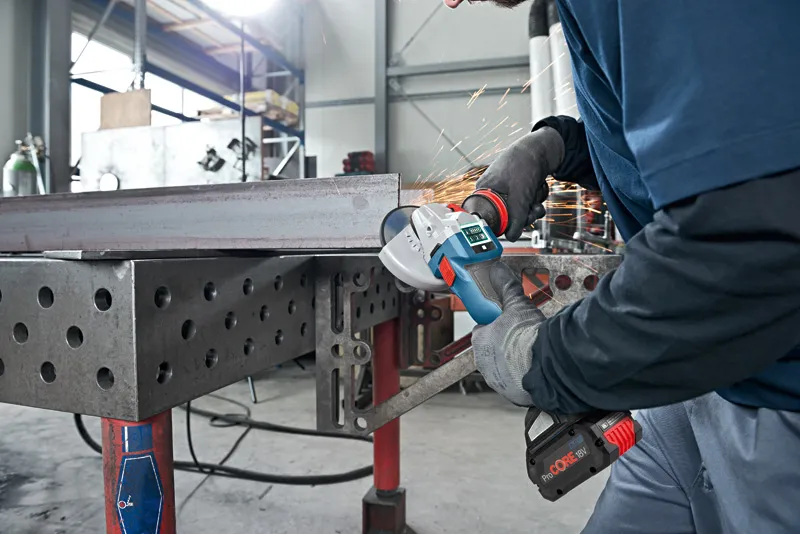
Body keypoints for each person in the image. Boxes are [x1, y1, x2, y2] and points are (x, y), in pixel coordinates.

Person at [443, 1, 800, 532]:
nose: (450, 2)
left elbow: (746, 241)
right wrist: (557, 146)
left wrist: (543, 361)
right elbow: (692, 144)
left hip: (777, 392)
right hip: (688, 378)